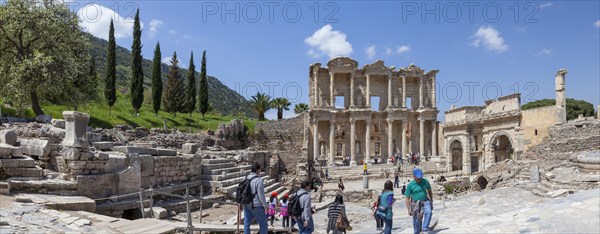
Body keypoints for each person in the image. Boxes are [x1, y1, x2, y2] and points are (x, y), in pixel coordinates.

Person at [405, 168, 433, 234]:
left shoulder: (425, 181)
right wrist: (408, 210)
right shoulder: (410, 185)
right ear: (414, 176)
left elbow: (429, 190)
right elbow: (407, 198)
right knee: (416, 220)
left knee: (429, 212)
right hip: (415, 203)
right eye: (418, 178)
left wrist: (431, 200)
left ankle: (425, 229)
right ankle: (417, 231)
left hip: (425, 200)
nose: (419, 179)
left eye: (420, 177)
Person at [243, 162, 268, 234]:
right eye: (260, 170)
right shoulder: (259, 180)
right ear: (257, 170)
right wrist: (265, 206)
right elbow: (261, 195)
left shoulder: (245, 178)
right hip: (256, 205)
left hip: (246, 204)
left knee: (247, 223)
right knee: (263, 223)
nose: (260, 171)